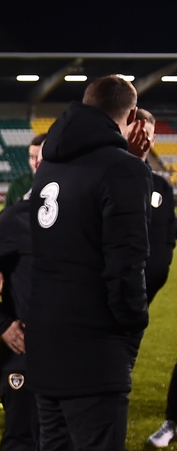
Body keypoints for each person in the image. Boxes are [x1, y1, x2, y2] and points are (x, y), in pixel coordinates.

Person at [27, 74, 152, 451]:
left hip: (45, 343)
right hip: (96, 352)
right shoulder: (123, 169)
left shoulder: (48, 164)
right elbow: (127, 263)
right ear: (131, 118)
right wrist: (131, 328)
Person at [0, 148, 42, 451]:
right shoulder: (20, 216)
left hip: (74, 353)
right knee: (22, 438)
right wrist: (2, 322)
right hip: (25, 351)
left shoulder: (85, 217)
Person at [132, 108, 177, 448]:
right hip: (109, 291)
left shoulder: (161, 185)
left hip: (147, 291)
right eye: (137, 128)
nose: (144, 135)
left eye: (148, 130)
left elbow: (168, 236)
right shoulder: (111, 173)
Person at [3, 133, 46, 208]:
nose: (35, 163)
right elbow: (6, 217)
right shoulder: (17, 186)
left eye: (40, 158)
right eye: (32, 157)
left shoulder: (62, 186)